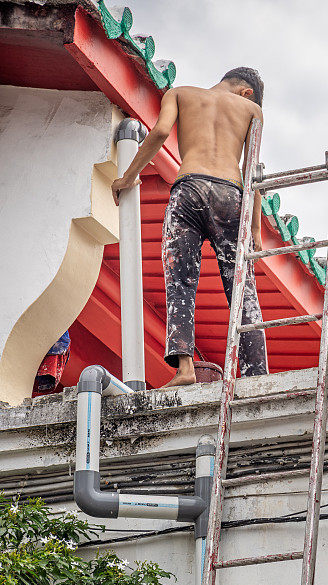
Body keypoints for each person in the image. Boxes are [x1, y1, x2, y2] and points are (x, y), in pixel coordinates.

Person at [111, 67, 268, 387]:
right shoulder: (252, 111)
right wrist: (255, 232)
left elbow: (158, 133)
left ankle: (184, 369)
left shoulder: (180, 93)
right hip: (230, 195)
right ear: (247, 93)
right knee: (242, 290)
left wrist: (127, 178)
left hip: (188, 192)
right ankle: (256, 377)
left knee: (180, 282)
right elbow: (252, 171)